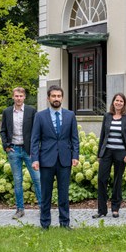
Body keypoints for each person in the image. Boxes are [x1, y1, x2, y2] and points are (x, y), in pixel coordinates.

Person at [31, 85, 79, 230]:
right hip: (46, 160)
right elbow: (34, 139)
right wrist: (35, 159)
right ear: (48, 98)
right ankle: (45, 224)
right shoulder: (40, 116)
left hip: (64, 160)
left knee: (63, 194)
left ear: (62, 98)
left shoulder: (70, 115)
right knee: (46, 194)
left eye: (59, 96)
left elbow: (74, 138)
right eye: (53, 96)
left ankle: (65, 223)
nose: (56, 99)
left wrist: (75, 155)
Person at [0, 87, 41, 219]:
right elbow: (3, 130)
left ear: (24, 97)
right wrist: (6, 146)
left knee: (37, 179)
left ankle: (43, 207)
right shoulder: (7, 112)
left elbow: (36, 131)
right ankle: (20, 209)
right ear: (13, 97)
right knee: (18, 181)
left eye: (21, 96)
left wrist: (35, 150)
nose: (18, 98)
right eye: (16, 96)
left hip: (29, 150)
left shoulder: (31, 111)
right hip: (14, 150)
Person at [93, 93, 126, 219]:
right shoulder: (107, 116)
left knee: (117, 180)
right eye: (116, 100)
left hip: (121, 153)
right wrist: (99, 154)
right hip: (107, 152)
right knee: (102, 179)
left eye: (121, 101)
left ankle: (115, 208)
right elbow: (102, 135)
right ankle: (102, 210)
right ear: (113, 102)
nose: (118, 103)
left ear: (124, 103)